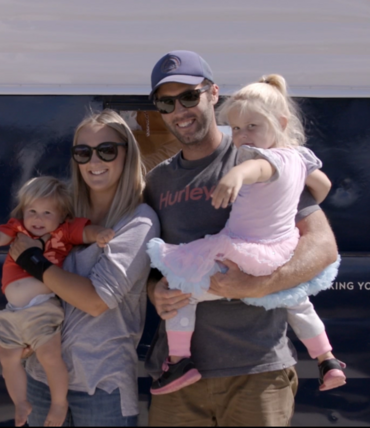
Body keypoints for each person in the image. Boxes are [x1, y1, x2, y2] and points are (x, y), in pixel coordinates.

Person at [144, 50, 339, 426]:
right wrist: (155, 290)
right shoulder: (158, 181)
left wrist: (257, 284)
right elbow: (153, 260)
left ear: (213, 94)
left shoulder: (263, 159)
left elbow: (323, 247)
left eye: (189, 96)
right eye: (166, 102)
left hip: (258, 369)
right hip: (180, 377)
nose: (179, 110)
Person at [6, 109, 160, 426]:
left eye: (107, 150)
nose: (94, 161)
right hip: (42, 376)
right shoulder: (60, 209)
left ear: (126, 153)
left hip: (102, 383)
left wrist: (34, 262)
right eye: (83, 152)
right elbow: (20, 268)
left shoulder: (139, 220)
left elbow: (96, 301)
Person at [0, 176, 115, 426]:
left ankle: (59, 403)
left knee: (50, 357)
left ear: (62, 216)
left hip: (42, 309)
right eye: (33, 211)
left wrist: (99, 233)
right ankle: (20, 402)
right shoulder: (18, 230)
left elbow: (85, 231)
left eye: (47, 212)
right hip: (12, 312)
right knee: (7, 359)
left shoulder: (64, 232)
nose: (38, 219)